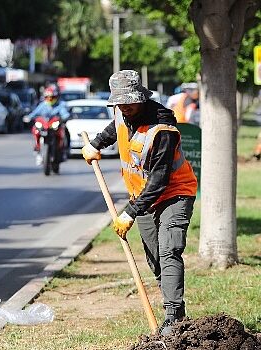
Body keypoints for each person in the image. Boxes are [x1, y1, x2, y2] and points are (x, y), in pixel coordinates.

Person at [82, 70, 198, 335]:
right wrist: (97, 144)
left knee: (170, 250)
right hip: (142, 198)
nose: (124, 107)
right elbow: (115, 128)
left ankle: (173, 316)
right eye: (119, 103)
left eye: (129, 102)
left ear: (142, 98)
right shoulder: (123, 114)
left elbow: (158, 180)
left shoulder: (162, 130)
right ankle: (175, 312)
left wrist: (130, 213)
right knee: (155, 257)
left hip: (174, 194)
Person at [27, 84, 70, 164]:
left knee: (65, 132)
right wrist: (28, 117)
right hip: (44, 126)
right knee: (35, 130)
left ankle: (65, 150)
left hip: (55, 126)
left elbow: (65, 114)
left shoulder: (60, 105)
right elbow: (34, 113)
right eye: (48, 97)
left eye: (52, 97)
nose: (50, 99)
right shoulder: (42, 105)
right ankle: (37, 149)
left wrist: (66, 117)